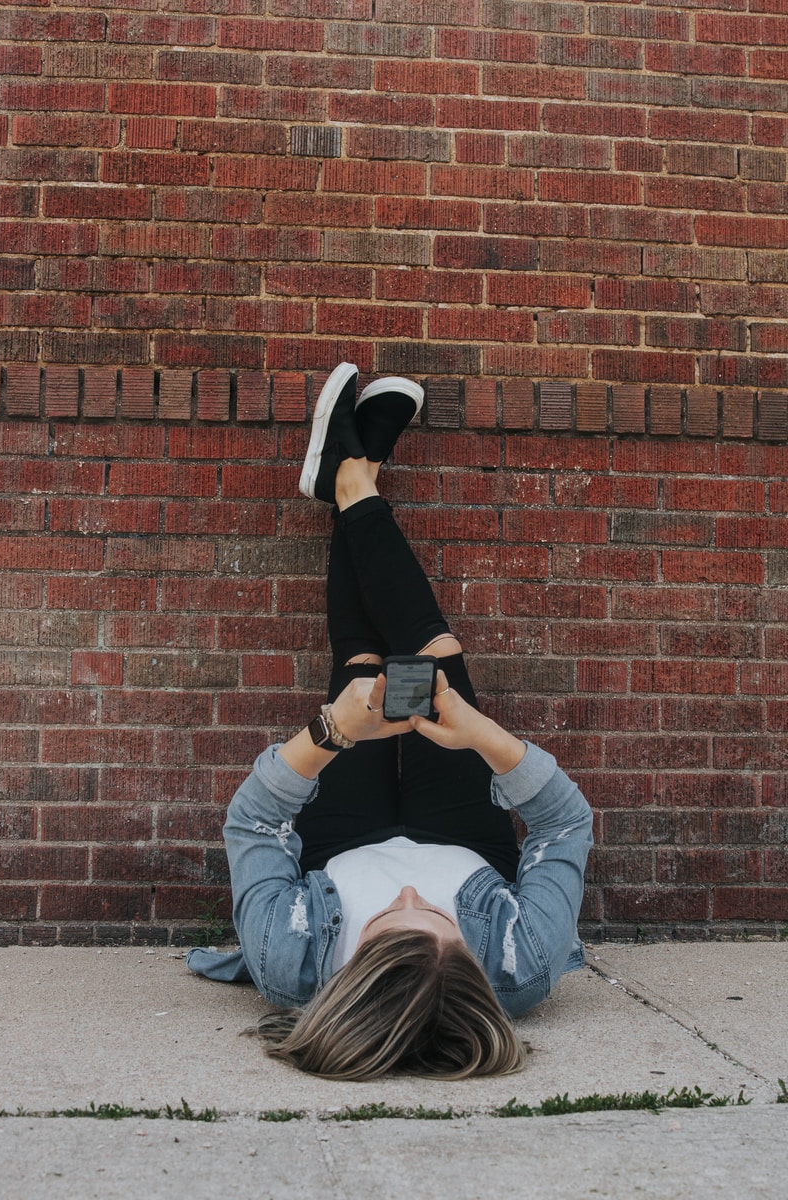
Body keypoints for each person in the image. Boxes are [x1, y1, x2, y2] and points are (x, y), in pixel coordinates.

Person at [187, 362, 594, 1080]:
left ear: (345, 975)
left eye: (382, 923)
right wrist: (481, 738)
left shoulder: (292, 964)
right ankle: (352, 478)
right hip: (465, 832)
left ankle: (352, 479)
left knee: (363, 670)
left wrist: (331, 734)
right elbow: (565, 827)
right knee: (434, 658)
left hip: (342, 836)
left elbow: (252, 825)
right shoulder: (518, 964)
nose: (409, 892)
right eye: (439, 921)